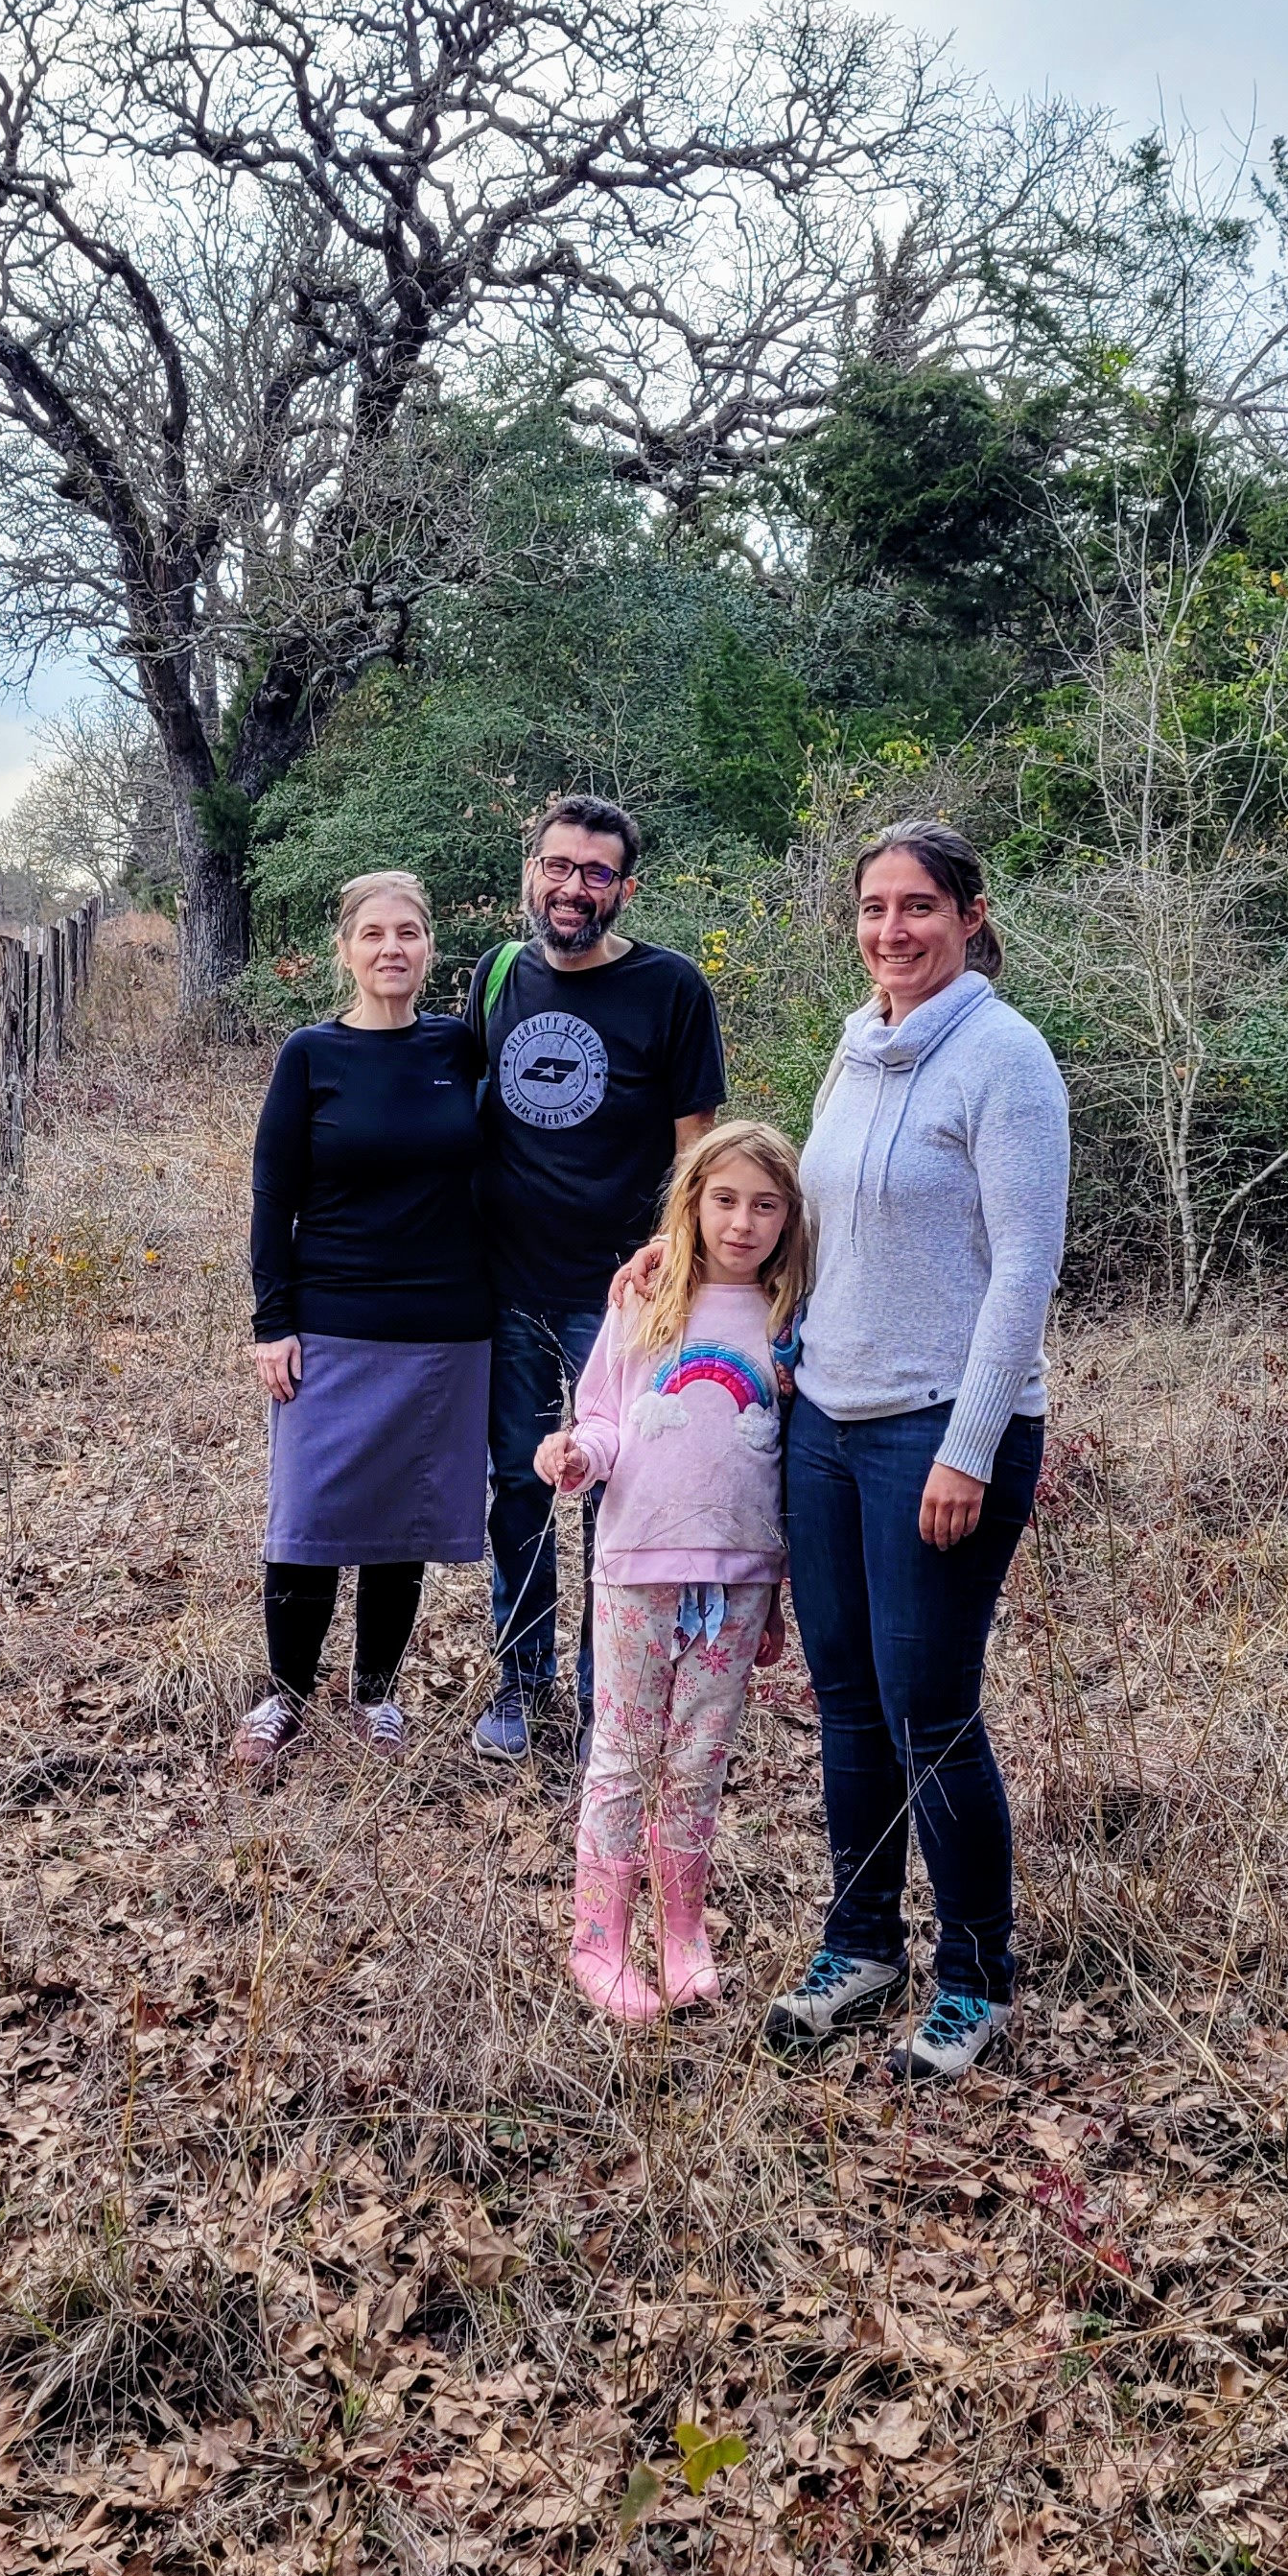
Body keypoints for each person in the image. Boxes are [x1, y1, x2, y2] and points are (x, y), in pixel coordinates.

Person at [756, 821, 1069, 2083]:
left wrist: (967, 1447)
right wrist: (776, 1340)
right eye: (875, 908)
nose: (893, 930)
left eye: (918, 908)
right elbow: (818, 1227)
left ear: (970, 912)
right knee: (845, 1700)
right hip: (824, 1424)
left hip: (941, 1434)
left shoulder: (1006, 1059)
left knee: (929, 1711)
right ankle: (862, 1944)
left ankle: (977, 1980)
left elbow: (1022, 1275)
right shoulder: (856, 1043)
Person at [465, 793, 726, 1764]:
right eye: (559, 866)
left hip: (623, 1298)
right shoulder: (497, 977)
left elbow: (697, 1154)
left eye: (596, 873)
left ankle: (603, 1698)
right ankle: (521, 1682)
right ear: (531, 868)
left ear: (624, 887)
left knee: (617, 1491)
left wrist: (675, 1278)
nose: (574, 888)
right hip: (508, 1282)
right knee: (519, 1487)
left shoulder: (671, 990)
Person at [535, 1120, 809, 2021]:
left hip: (738, 1576)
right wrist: (577, 1456)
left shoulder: (790, 1317)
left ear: (789, 1217)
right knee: (620, 1755)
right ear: (691, 1203)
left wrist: (774, 1594)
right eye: (724, 1200)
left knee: (700, 1758)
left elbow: (783, 1458)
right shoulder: (646, 1301)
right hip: (635, 1569)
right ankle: (599, 1940)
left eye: (765, 1205)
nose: (743, 1222)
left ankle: (681, 1928)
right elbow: (605, 1417)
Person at [241, 869, 490, 1779]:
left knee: (403, 1516)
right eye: (375, 933)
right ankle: (284, 1696)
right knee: (309, 1510)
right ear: (345, 949)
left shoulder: (462, 1048)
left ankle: (378, 1692)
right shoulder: (311, 1054)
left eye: (411, 933)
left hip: (445, 1321)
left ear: (429, 948)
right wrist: (275, 1321)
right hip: (333, 1316)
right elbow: (275, 1198)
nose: (394, 948)